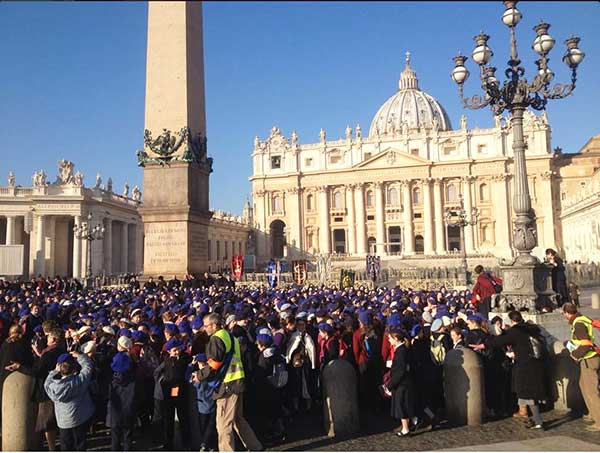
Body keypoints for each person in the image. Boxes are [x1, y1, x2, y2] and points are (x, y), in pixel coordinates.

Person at [197, 313, 262, 452]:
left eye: (207, 326)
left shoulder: (216, 338)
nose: (205, 328)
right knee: (237, 419)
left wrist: (199, 375)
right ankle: (255, 446)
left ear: (214, 325)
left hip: (227, 384)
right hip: (237, 380)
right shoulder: (229, 336)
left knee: (223, 425)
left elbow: (215, 364)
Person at [472, 311, 547, 430]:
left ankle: (537, 420)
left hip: (524, 366)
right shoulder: (531, 328)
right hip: (536, 363)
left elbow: (499, 342)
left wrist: (483, 346)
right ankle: (534, 418)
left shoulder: (515, 331)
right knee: (531, 393)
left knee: (527, 393)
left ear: (512, 321)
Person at [44, 352, 95, 451]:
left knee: (66, 445)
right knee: (80, 444)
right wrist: (80, 356)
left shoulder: (53, 387)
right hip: (80, 418)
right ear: (74, 369)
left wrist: (54, 371)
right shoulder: (79, 380)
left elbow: (46, 384)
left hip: (63, 421)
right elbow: (88, 367)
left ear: (60, 369)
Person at [562, 303, 600, 431]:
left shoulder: (578, 324)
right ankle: (592, 413)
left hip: (589, 358)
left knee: (591, 391)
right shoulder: (582, 318)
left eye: (564, 313)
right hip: (590, 357)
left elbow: (586, 344)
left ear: (567, 313)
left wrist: (574, 354)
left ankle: (599, 421)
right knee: (583, 385)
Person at [32, 328, 66, 451]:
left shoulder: (48, 354)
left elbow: (37, 371)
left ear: (54, 339)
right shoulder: (63, 351)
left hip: (47, 391)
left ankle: (51, 448)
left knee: (48, 422)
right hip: (62, 389)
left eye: (49, 337)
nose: (47, 339)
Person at [385, 329, 416, 437]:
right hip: (404, 382)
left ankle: (406, 429)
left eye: (390, 338)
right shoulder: (403, 349)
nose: (389, 340)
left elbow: (400, 370)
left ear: (396, 339)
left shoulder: (400, 351)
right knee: (402, 405)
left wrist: (390, 385)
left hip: (402, 383)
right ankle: (406, 427)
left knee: (402, 406)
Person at [106, 352, 137, 451]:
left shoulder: (111, 381)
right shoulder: (134, 381)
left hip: (115, 414)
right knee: (128, 437)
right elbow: (140, 396)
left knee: (115, 438)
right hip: (129, 413)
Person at [189, 353, 217, 452]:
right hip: (212, 403)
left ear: (199, 363)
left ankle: (204, 444)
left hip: (201, 406)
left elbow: (187, 377)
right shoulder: (213, 373)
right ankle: (209, 444)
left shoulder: (197, 376)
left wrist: (191, 365)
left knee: (203, 426)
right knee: (211, 426)